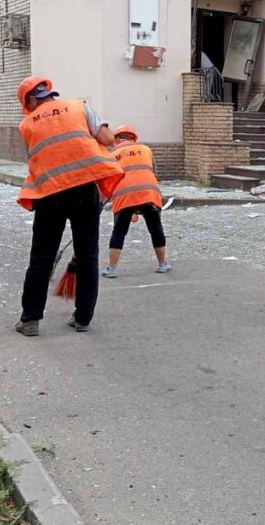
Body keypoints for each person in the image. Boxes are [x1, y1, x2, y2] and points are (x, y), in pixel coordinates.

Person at [14, 76, 125, 337]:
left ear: (31, 99)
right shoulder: (79, 107)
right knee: (87, 255)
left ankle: (30, 321)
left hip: (49, 193)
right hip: (84, 189)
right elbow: (108, 138)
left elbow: (37, 157)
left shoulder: (27, 124)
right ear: (49, 92)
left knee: (41, 258)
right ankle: (83, 318)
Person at [102, 124, 171, 278]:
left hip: (124, 196)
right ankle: (163, 264)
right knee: (155, 229)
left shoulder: (112, 154)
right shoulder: (146, 149)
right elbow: (153, 172)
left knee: (119, 231)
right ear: (133, 138)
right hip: (148, 193)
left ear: (117, 139)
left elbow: (109, 179)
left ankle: (111, 269)